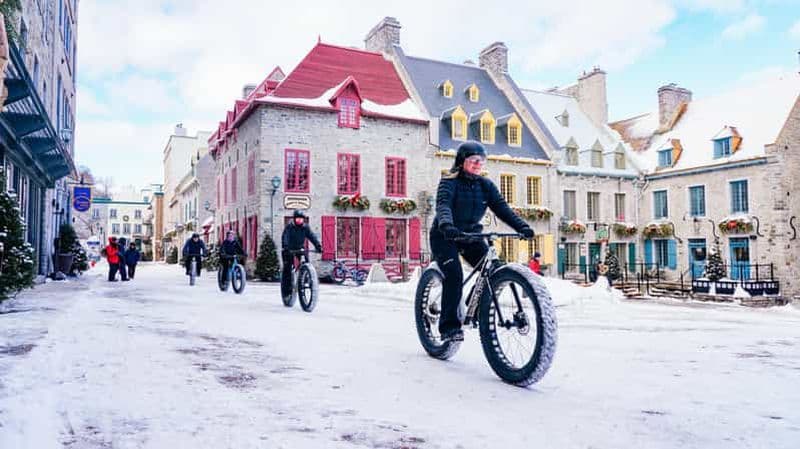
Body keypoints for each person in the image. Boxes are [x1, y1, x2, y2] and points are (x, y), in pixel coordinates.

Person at [431, 141, 534, 343]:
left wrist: (521, 227)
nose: (479, 164)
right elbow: (443, 206)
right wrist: (446, 225)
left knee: (494, 268)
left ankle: (475, 308)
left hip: (471, 236)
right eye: (474, 160)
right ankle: (449, 327)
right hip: (445, 236)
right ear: (462, 162)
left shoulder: (485, 185)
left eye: (482, 161)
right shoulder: (448, 182)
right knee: (454, 274)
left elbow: (502, 209)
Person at [281, 210, 322, 300]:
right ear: (294, 219)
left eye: (301, 219)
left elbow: (312, 237)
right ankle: (286, 291)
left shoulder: (305, 228)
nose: (299, 221)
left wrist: (318, 246)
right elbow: (285, 237)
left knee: (306, 260)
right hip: (288, 249)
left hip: (299, 248)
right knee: (287, 268)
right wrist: (286, 246)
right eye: (298, 219)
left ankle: (306, 277)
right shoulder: (289, 227)